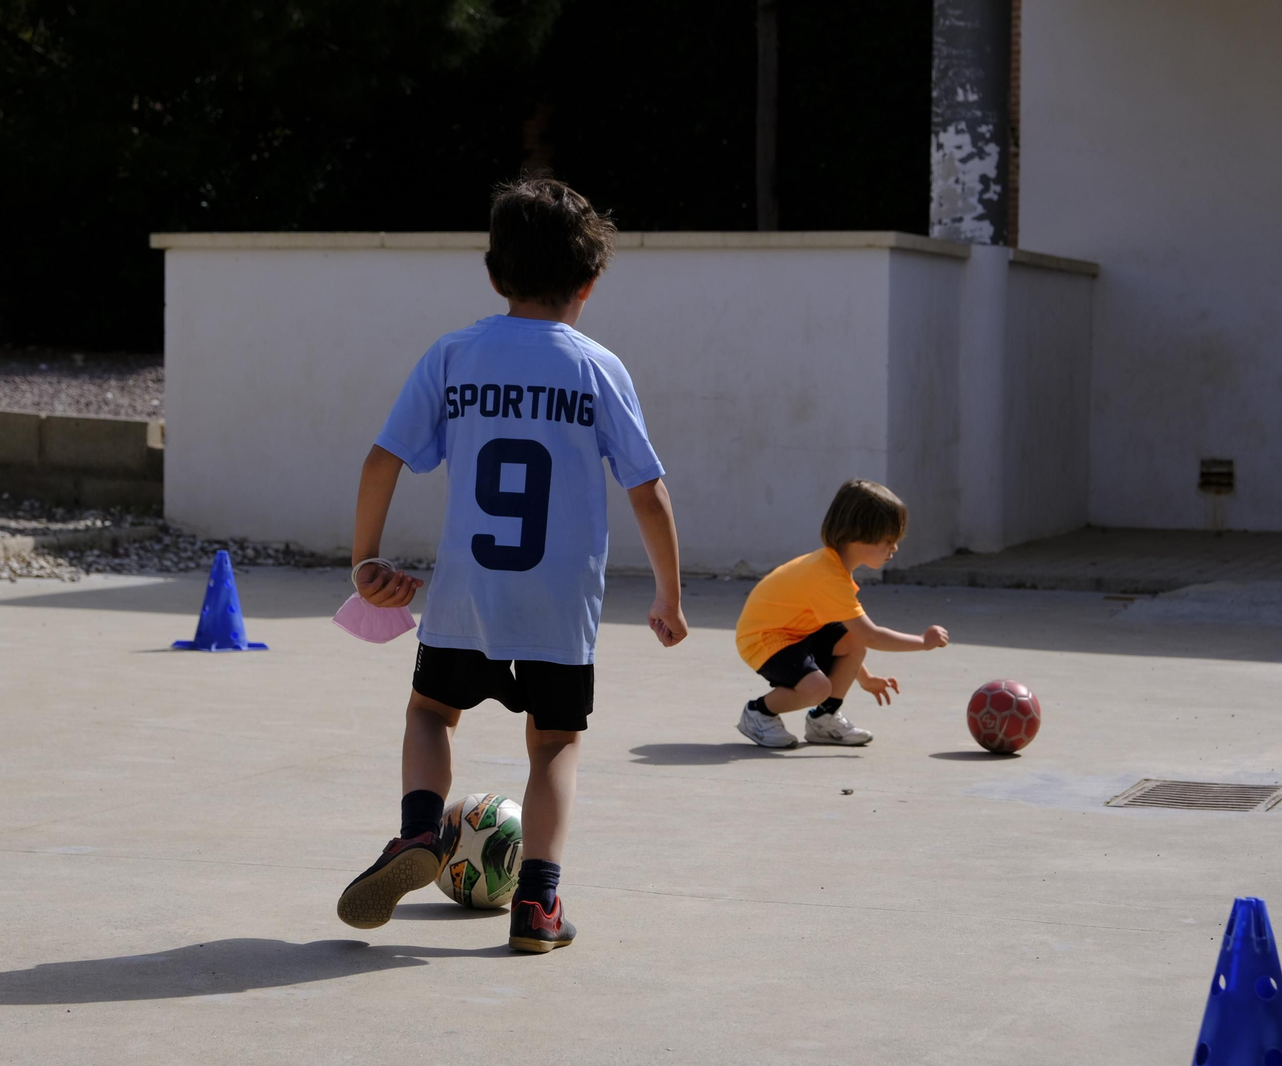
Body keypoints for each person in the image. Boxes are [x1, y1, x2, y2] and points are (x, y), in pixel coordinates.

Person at [337, 176, 687, 953]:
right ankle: (538, 904)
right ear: (589, 284)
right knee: (555, 741)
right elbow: (649, 492)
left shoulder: (455, 354)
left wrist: (365, 560)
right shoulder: (598, 367)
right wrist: (668, 594)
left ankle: (419, 831)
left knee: (431, 712)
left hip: (470, 597)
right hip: (560, 608)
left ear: (494, 275)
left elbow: (380, 460)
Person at [734, 478, 949, 748]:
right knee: (817, 688)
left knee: (851, 640)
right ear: (859, 535)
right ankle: (758, 713)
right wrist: (923, 642)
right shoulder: (828, 577)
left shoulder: (833, 569)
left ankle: (824, 719)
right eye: (888, 540)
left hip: (797, 632)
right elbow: (872, 635)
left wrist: (866, 679)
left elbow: (857, 635)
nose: (894, 548)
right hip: (764, 638)